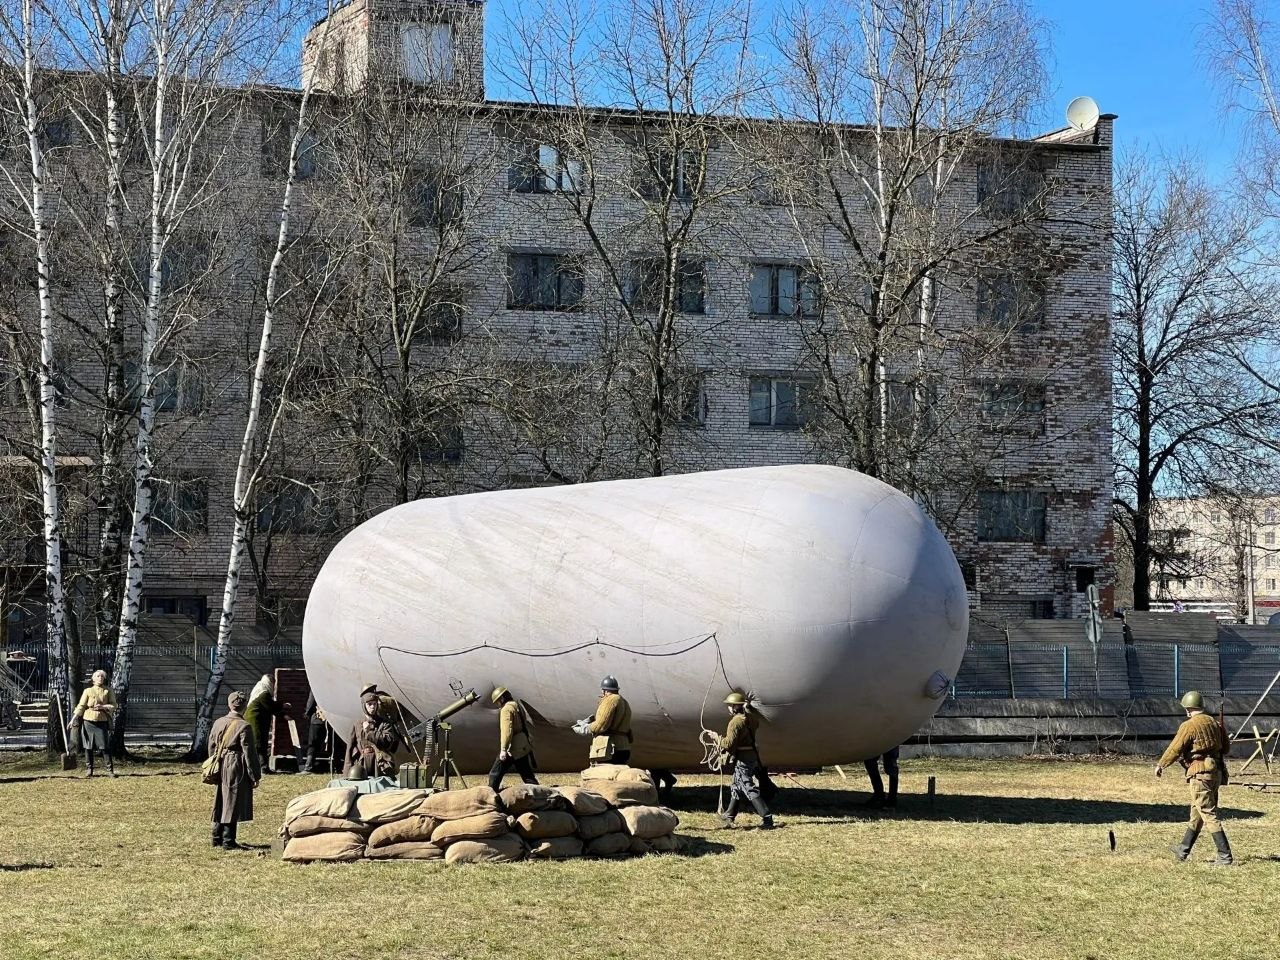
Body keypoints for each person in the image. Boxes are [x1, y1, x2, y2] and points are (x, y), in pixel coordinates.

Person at [1155, 690, 1233, 866]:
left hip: (1199, 773)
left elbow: (1175, 748)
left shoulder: (1188, 725)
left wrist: (1161, 764)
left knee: (1208, 813)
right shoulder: (1214, 723)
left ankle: (1224, 856)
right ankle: (1183, 849)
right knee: (1197, 813)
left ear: (1188, 709)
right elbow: (1226, 749)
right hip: (1216, 772)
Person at [208, 690, 261, 851]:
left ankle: (216, 837)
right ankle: (228, 840)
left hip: (220, 761)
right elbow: (249, 753)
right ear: (245, 706)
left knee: (221, 799)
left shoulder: (218, 722)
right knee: (232, 800)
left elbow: (211, 745)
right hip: (235, 764)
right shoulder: (244, 726)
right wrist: (255, 775)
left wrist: (214, 763)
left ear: (229, 704)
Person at [716, 691, 774, 830]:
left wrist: (715, 738)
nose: (728, 707)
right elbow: (755, 724)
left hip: (742, 759)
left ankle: (767, 818)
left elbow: (728, 744)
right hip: (752, 756)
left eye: (730, 705)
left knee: (748, 787)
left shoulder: (735, 722)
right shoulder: (751, 719)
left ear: (734, 707)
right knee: (737, 785)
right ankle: (730, 814)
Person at [346, 687, 404, 778]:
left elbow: (388, 742)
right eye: (369, 704)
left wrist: (371, 732)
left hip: (379, 763)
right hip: (361, 763)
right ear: (364, 705)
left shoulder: (385, 723)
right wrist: (347, 772)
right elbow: (349, 748)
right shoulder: (357, 725)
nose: (372, 707)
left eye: (374, 704)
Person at [574, 675, 632, 765]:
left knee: (603, 777)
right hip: (624, 748)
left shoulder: (610, 700)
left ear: (604, 690)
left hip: (610, 749)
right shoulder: (624, 702)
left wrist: (585, 728)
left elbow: (601, 726)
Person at [487, 686, 538, 790]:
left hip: (513, 748)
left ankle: (491, 797)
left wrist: (503, 750)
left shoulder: (506, 709)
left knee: (495, 773)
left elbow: (507, 731)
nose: (498, 704)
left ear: (501, 699)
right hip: (522, 745)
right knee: (527, 775)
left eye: (497, 701)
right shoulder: (516, 705)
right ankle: (542, 795)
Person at [70, 670, 117, 778]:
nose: (100, 677)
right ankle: (89, 770)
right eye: (98, 676)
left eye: (102, 676)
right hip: (88, 721)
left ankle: (110, 770)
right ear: (93, 678)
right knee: (88, 746)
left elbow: (114, 705)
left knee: (104, 746)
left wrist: (103, 707)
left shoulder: (108, 690)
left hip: (102, 721)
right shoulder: (87, 691)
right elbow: (81, 706)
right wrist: (73, 719)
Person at [243, 674, 285, 771]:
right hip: (255, 720)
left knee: (260, 742)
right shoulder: (264, 693)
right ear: (269, 682)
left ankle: (261, 766)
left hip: (257, 720)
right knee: (259, 743)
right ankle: (262, 767)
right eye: (273, 683)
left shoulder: (260, 689)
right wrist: (283, 706)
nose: (274, 686)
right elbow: (270, 706)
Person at [301, 689, 333, 773]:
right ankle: (333, 765)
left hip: (317, 718)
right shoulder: (333, 685)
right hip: (331, 719)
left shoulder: (315, 685)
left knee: (313, 743)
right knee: (331, 742)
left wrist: (307, 713)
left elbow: (311, 702)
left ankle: (308, 766)